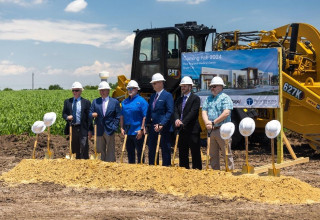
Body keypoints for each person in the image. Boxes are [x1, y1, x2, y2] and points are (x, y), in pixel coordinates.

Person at [202, 76, 234, 170]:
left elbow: (226, 113)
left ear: (221, 87)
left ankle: (230, 173)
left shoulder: (225, 98)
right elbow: (204, 111)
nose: (212, 88)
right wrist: (207, 122)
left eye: (214, 86)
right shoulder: (208, 99)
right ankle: (215, 173)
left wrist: (213, 122)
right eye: (211, 86)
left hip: (222, 130)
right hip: (211, 130)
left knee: (226, 153)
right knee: (212, 154)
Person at [146, 73, 174, 166]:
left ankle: (166, 167)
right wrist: (147, 124)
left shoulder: (167, 95)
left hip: (164, 128)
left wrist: (162, 124)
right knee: (152, 148)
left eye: (154, 83)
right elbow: (149, 111)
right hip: (153, 127)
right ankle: (153, 166)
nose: (152, 85)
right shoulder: (153, 96)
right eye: (152, 83)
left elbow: (169, 111)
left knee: (165, 149)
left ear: (160, 83)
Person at [174, 76, 202, 170]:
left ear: (190, 87)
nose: (182, 88)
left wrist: (183, 122)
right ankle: (184, 170)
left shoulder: (195, 98)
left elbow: (193, 113)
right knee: (182, 152)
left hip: (192, 130)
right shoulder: (178, 100)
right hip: (182, 130)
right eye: (182, 86)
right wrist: (177, 119)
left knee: (195, 153)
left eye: (185, 86)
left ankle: (197, 170)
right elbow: (176, 111)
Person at [89, 81, 120, 162]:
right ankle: (101, 164)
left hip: (110, 129)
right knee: (99, 149)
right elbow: (89, 113)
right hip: (99, 129)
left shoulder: (115, 102)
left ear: (108, 91)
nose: (102, 92)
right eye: (100, 90)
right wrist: (92, 114)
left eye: (104, 90)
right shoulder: (95, 102)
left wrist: (114, 126)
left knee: (111, 149)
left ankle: (110, 164)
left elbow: (118, 116)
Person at [120, 80, 148, 164]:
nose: (130, 90)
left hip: (138, 131)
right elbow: (122, 116)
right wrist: (121, 128)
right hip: (128, 131)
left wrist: (142, 129)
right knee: (130, 152)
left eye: (132, 88)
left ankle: (141, 168)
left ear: (137, 89)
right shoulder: (124, 102)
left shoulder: (142, 101)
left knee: (140, 152)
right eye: (128, 88)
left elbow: (145, 116)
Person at [62, 81, 92, 159]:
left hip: (83, 128)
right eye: (73, 90)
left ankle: (85, 162)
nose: (74, 92)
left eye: (77, 90)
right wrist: (67, 117)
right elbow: (64, 114)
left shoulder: (86, 102)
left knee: (84, 146)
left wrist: (90, 130)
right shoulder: (67, 102)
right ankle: (75, 163)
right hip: (72, 127)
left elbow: (89, 117)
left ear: (81, 91)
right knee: (74, 147)